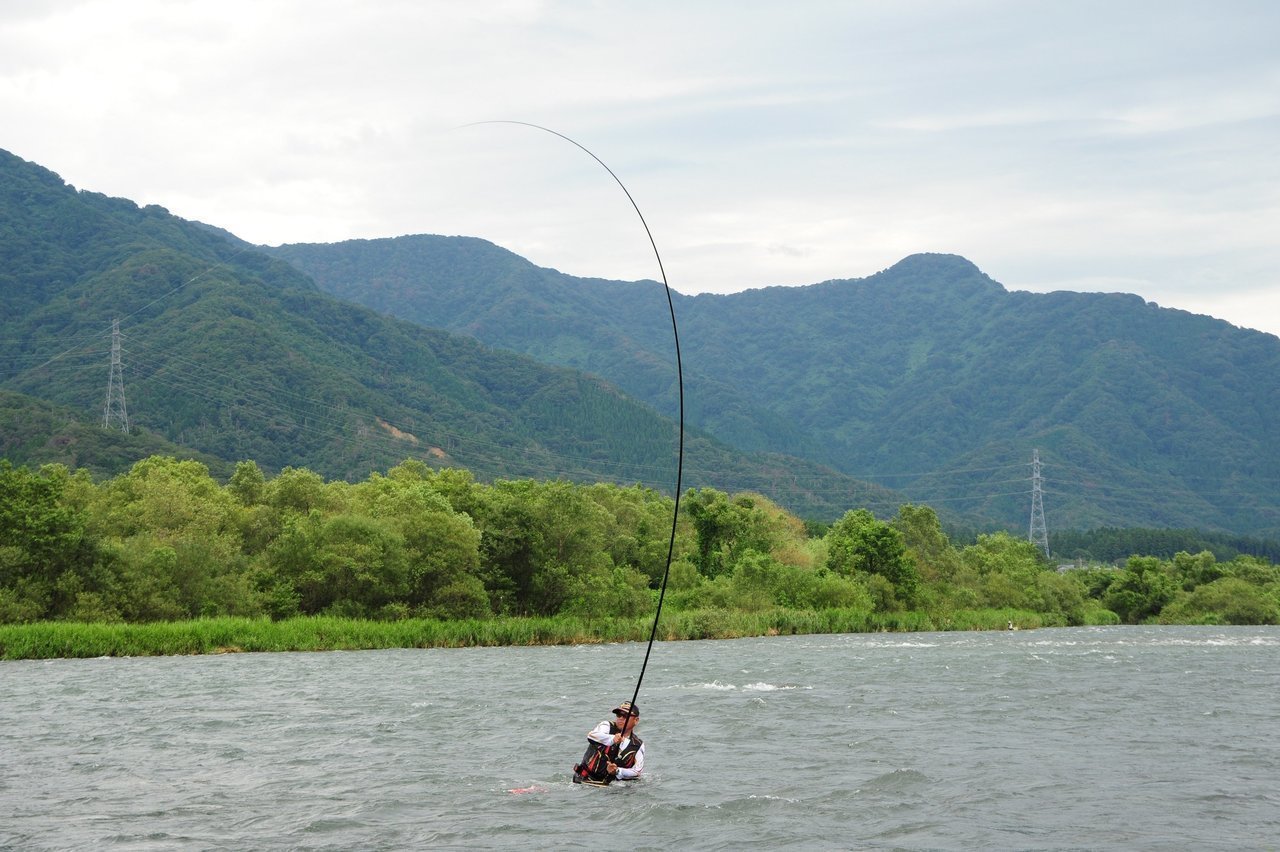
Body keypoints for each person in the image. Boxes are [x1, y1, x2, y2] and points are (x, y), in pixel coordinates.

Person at [572, 700, 645, 785]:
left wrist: (617, 771)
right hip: (583, 782)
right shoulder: (606, 726)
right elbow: (591, 735)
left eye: (625, 716)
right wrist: (612, 739)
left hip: (611, 789)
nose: (620, 718)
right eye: (618, 715)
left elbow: (637, 771)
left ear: (636, 720)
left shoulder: (638, 744)